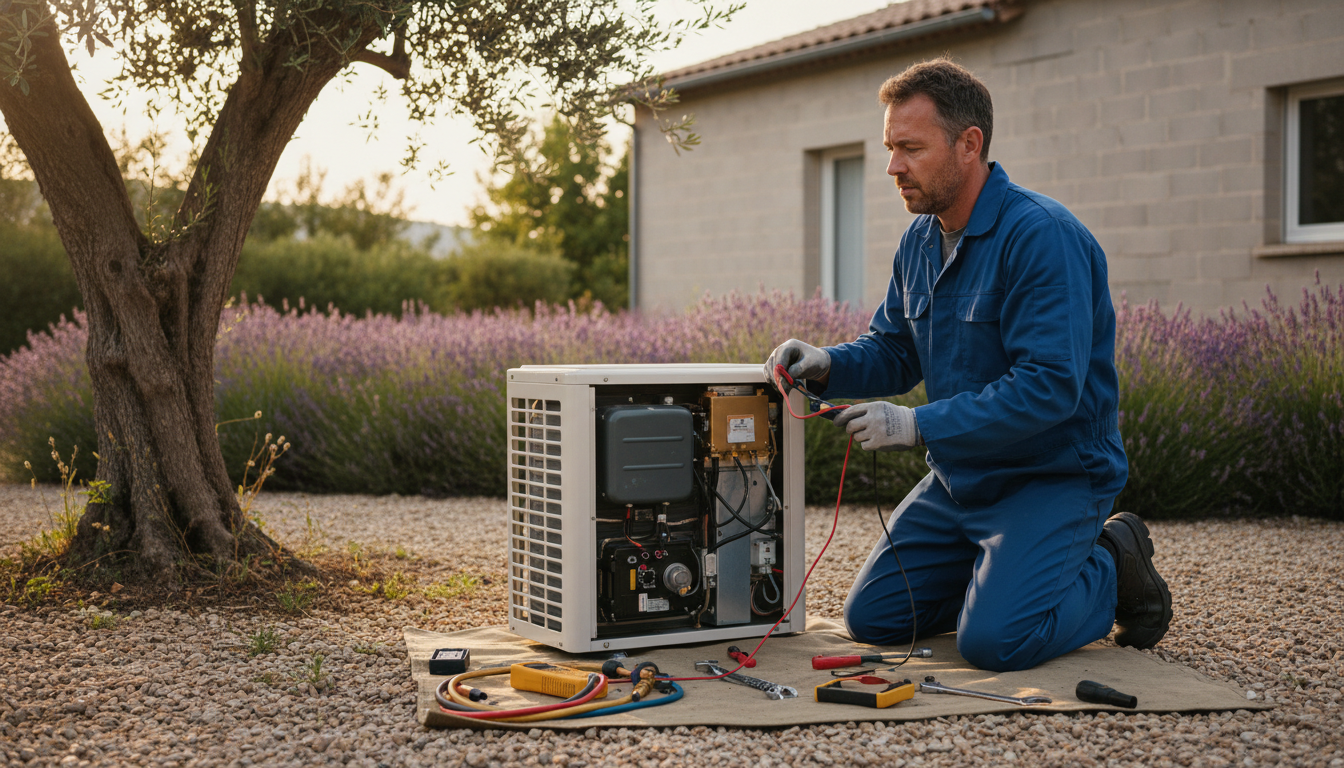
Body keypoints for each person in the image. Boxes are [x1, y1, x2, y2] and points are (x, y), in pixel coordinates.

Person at [763, 58, 1172, 672]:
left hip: (1052, 477)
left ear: (968, 145)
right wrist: (825, 364)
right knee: (873, 619)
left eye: (910, 148)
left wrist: (915, 426)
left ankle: (1112, 558)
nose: (893, 167)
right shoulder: (921, 240)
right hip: (962, 480)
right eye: (890, 148)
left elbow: (1049, 388)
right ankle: (1007, 577)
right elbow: (897, 349)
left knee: (995, 643)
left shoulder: (1041, 236)